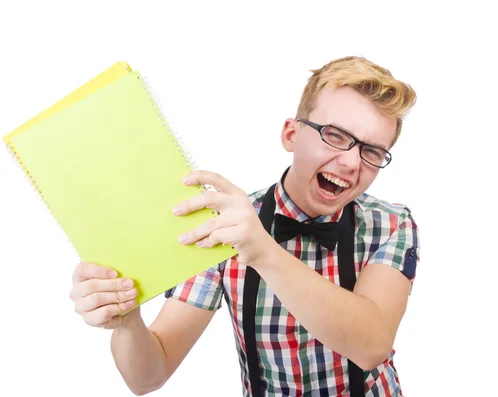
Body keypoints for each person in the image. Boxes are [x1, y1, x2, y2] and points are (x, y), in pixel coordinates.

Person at [69, 55, 421, 396]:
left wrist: (263, 251)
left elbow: (372, 345)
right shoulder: (224, 224)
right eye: (335, 135)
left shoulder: (391, 224)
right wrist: (128, 322)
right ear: (290, 134)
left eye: (372, 151)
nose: (349, 162)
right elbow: (148, 376)